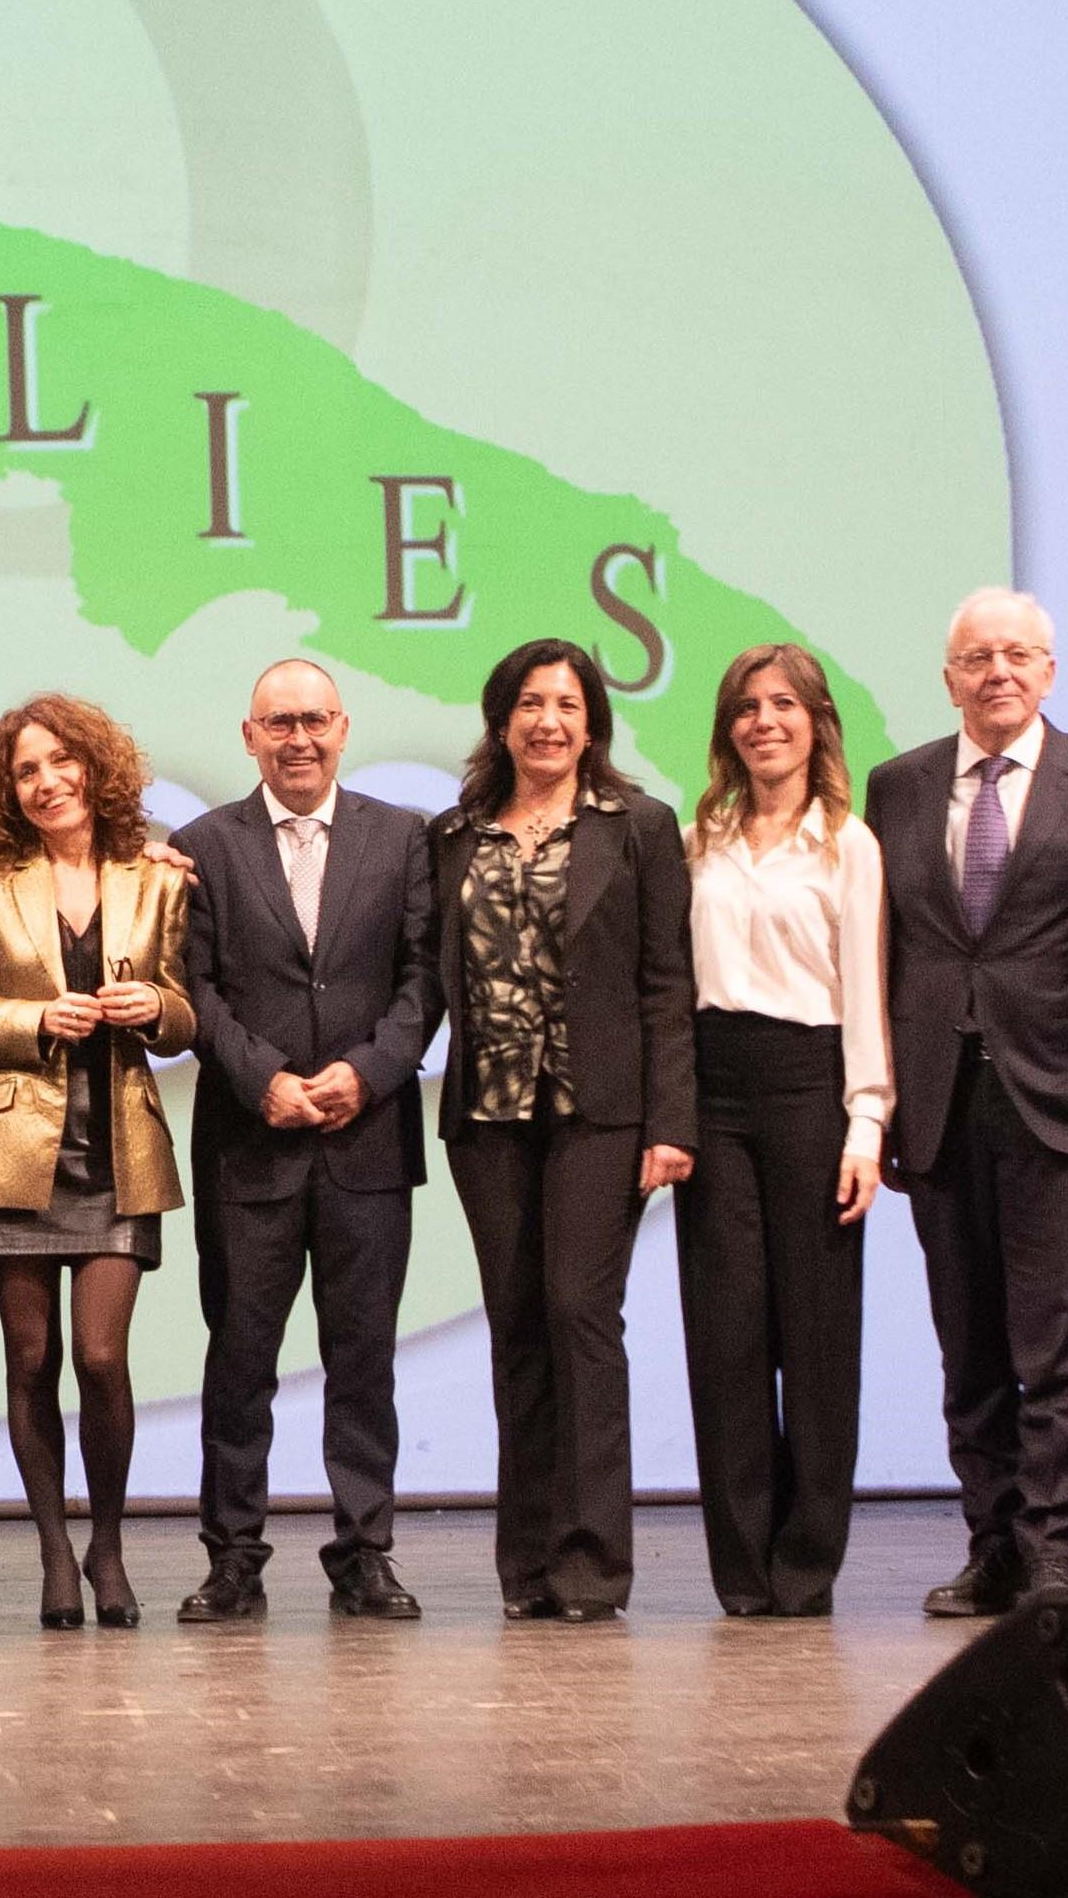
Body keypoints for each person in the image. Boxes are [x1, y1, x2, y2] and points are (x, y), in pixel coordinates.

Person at [866, 589, 1068, 1617]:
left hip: (1065, 1100)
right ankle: (989, 1543)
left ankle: (1051, 1551)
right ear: (945, 676)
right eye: (975, 657)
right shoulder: (894, 787)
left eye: (1016, 655)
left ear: (1048, 670)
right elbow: (885, 947)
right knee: (970, 1347)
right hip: (941, 1103)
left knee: (1055, 1341)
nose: (996, 672)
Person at [428, 638, 695, 1621]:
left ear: (592, 724)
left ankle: (589, 1562)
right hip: (488, 1121)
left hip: (601, 1118)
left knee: (581, 1320)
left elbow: (667, 983)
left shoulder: (638, 827)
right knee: (517, 1333)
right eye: (530, 703)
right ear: (501, 721)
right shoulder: (455, 833)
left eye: (567, 705)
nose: (548, 721)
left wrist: (670, 1123)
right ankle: (526, 1567)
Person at [170, 660, 437, 1625]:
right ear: (248, 736)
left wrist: (366, 1073)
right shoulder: (201, 845)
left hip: (369, 1145)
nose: (299, 739)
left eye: (315, 720)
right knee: (240, 1362)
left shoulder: (404, 838)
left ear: (344, 727)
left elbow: (423, 983)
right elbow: (194, 990)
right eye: (278, 723)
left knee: (362, 1362)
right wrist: (263, 1080)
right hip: (252, 1147)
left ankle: (364, 1551)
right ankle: (232, 1556)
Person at [0, 694, 196, 1630]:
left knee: (101, 1354)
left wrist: (154, 1012)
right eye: (26, 772)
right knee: (32, 1356)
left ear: (95, 767)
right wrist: (37, 1017)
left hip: (119, 1148)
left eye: (60, 763)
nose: (46, 783)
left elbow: (185, 1010)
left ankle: (110, 1546)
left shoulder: (154, 875)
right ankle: (53, 1550)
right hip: (11, 1150)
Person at [674, 643, 891, 1619]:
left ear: (815, 722)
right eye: (745, 708)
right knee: (724, 1342)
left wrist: (865, 1122)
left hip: (810, 1089)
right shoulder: (698, 838)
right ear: (727, 729)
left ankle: (805, 1563)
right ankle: (742, 1571)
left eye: (783, 705)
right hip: (712, 1096)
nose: (763, 722)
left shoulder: (847, 842)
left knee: (812, 1339)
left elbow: (864, 993)